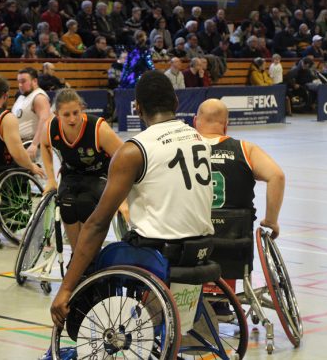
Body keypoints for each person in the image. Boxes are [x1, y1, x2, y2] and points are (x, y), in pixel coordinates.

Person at [50, 70, 214, 327]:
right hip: (202, 247)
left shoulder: (134, 150)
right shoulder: (199, 138)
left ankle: (80, 341)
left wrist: (65, 288)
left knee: (91, 264)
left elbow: (96, 225)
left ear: (137, 108)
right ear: (176, 102)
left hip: (160, 251)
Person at [41, 89, 123, 251]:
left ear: (82, 108)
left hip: (99, 173)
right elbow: (44, 145)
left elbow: (123, 157)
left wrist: (123, 197)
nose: (72, 119)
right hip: (71, 173)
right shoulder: (51, 128)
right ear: (57, 114)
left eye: (75, 113)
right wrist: (50, 178)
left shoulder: (99, 128)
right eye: (66, 115)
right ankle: (77, 253)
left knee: (85, 204)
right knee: (67, 205)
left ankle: (89, 254)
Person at [193, 99, 284, 239]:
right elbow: (277, 176)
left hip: (193, 235)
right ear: (226, 125)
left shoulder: (181, 150)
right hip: (236, 237)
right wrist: (271, 221)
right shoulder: (246, 149)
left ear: (195, 121)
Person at [12, 67, 51, 160]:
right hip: (20, 145)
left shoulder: (39, 97)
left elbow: (45, 121)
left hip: (32, 146)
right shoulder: (21, 97)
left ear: (34, 81)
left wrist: (34, 144)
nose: (20, 85)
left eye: (23, 81)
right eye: (19, 82)